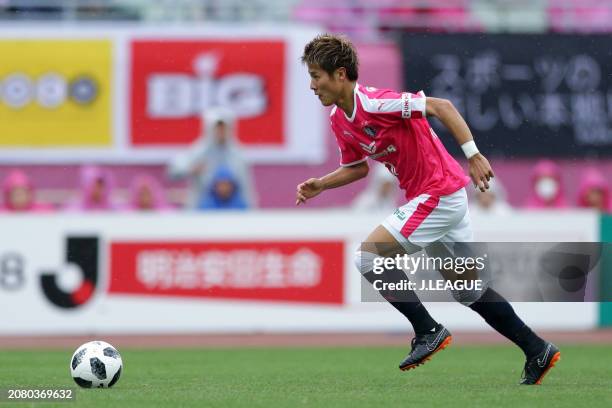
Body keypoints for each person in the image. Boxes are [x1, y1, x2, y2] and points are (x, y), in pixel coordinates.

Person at [295, 34, 559, 385]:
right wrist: (322, 184)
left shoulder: (376, 102)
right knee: (469, 290)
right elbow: (358, 166)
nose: (312, 85)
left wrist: (474, 154)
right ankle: (536, 349)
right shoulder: (339, 120)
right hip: (438, 198)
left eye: (316, 76)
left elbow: (442, 107)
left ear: (340, 74)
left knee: (368, 257)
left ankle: (427, 330)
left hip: (439, 194)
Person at [167, 107, 256, 209]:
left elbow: (246, 188)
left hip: (231, 212)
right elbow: (173, 171)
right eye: (218, 128)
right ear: (209, 129)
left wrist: (251, 212)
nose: (221, 132)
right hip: (200, 211)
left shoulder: (238, 155)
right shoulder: (199, 152)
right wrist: (191, 169)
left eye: (224, 128)